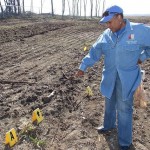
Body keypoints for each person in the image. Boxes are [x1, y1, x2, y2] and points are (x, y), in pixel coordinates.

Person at [75, 5, 150, 150]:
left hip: (127, 78)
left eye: (110, 22)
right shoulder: (106, 35)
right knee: (109, 102)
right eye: (106, 23)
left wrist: (142, 56)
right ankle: (108, 125)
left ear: (119, 17)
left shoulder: (138, 31)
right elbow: (94, 52)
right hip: (109, 76)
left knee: (124, 109)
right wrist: (83, 67)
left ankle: (124, 142)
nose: (107, 25)